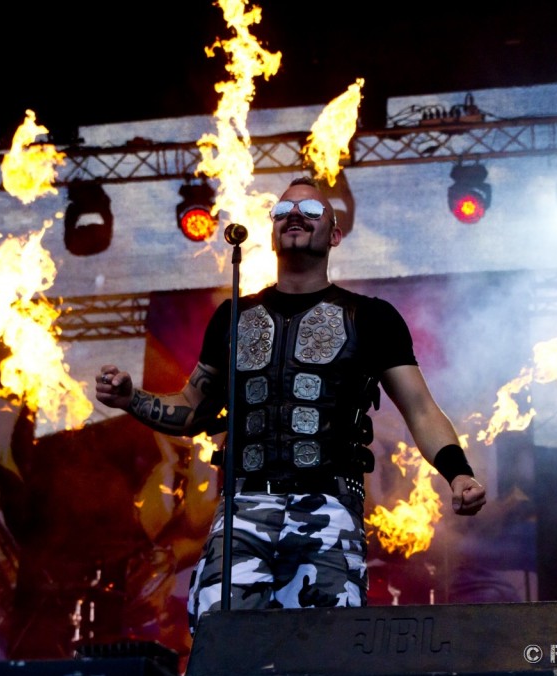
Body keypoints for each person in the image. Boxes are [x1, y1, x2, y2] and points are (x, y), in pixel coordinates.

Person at [95, 176, 486, 632]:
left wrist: (459, 473)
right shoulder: (233, 318)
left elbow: (420, 408)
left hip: (329, 507)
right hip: (242, 508)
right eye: (283, 211)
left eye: (312, 211)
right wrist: (131, 399)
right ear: (272, 230)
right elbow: (192, 409)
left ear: (335, 234)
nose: (294, 216)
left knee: (324, 653)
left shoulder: (371, 317)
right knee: (221, 644)